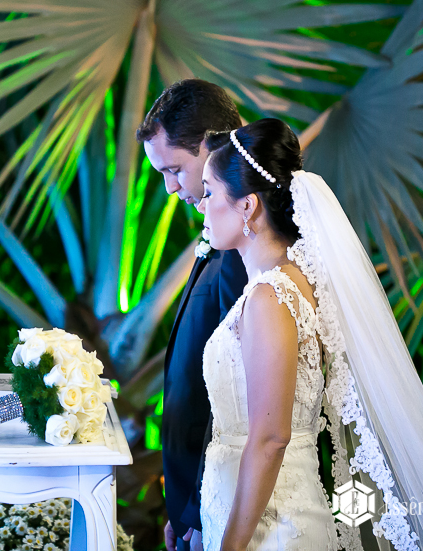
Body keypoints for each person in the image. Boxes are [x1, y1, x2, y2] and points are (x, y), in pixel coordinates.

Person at [196, 118, 423, 551]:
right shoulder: (292, 283)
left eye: (209, 192)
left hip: (271, 527)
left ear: (247, 206)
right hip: (258, 509)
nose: (200, 205)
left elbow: (270, 438)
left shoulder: (271, 296)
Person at [137, 80, 249, 551]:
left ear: (209, 145)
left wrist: (198, 510)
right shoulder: (222, 237)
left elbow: (237, 399)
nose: (170, 188)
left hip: (218, 498)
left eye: (174, 170)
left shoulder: (246, 252)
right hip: (193, 498)